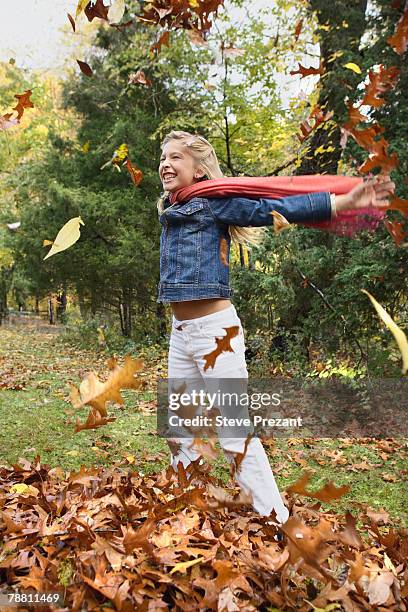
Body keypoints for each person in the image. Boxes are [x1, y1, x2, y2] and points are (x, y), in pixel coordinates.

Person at [156, 130, 394, 525]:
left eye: (176, 157)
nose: (166, 163)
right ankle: (187, 512)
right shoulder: (170, 209)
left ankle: (277, 520)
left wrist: (338, 203)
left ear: (199, 170)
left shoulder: (213, 205)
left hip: (216, 333)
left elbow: (270, 207)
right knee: (181, 431)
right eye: (163, 157)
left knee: (235, 433)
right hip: (180, 336)